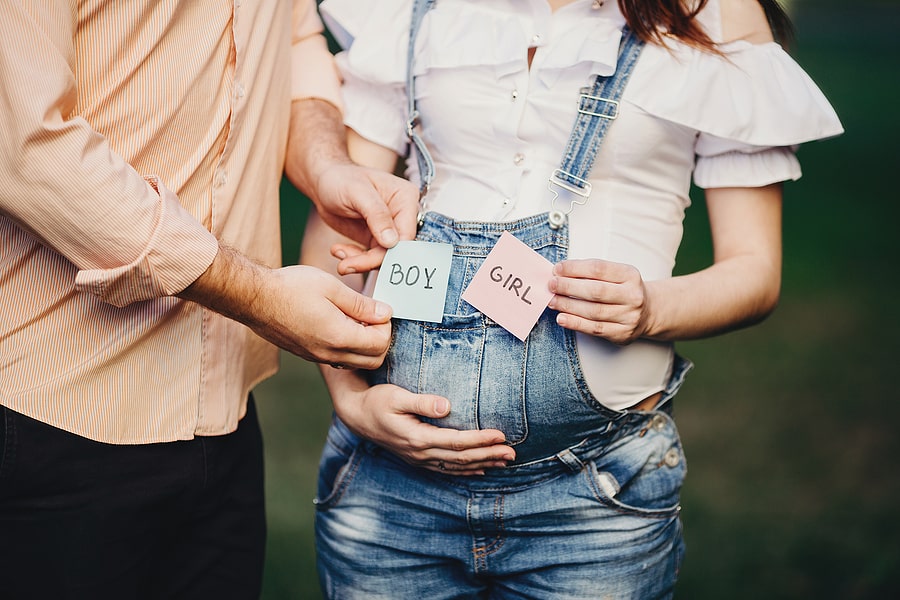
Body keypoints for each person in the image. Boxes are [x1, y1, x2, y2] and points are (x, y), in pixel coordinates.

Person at [302, 0, 844, 598]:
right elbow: (338, 225)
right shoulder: (415, 10)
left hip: (593, 500)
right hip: (388, 496)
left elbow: (755, 272)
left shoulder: (716, 14)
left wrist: (650, 309)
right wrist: (351, 401)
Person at [0, 1, 423, 598]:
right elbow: (25, 148)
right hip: (56, 414)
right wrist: (261, 297)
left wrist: (326, 166)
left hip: (223, 411)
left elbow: (294, 41)